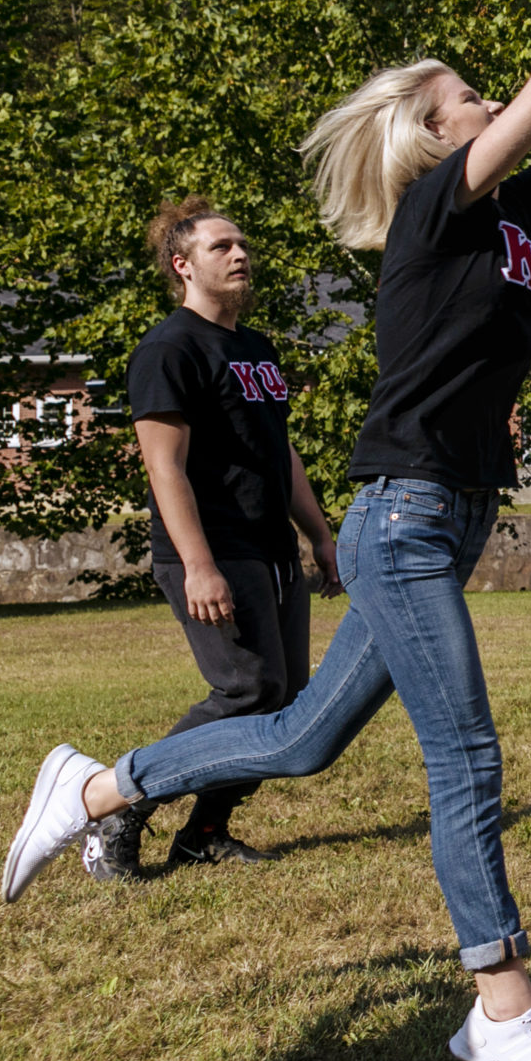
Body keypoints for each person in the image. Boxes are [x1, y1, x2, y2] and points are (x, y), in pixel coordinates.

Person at [0, 0, 531, 1061]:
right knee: (462, 753)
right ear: (426, 127)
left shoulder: (506, 212)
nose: (493, 98)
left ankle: (97, 784)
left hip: (446, 517)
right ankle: (501, 1003)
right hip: (403, 515)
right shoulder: (431, 208)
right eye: (470, 92)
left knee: (301, 742)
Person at [84, 201, 342, 882]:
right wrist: (199, 566)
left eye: (242, 244)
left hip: (270, 548)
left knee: (283, 701)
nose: (239, 254)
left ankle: (203, 833)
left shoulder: (256, 349)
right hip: (212, 550)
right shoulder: (170, 349)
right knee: (246, 690)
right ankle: (117, 807)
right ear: (182, 264)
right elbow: (163, 466)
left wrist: (319, 535)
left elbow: (278, 451)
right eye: (221, 245)